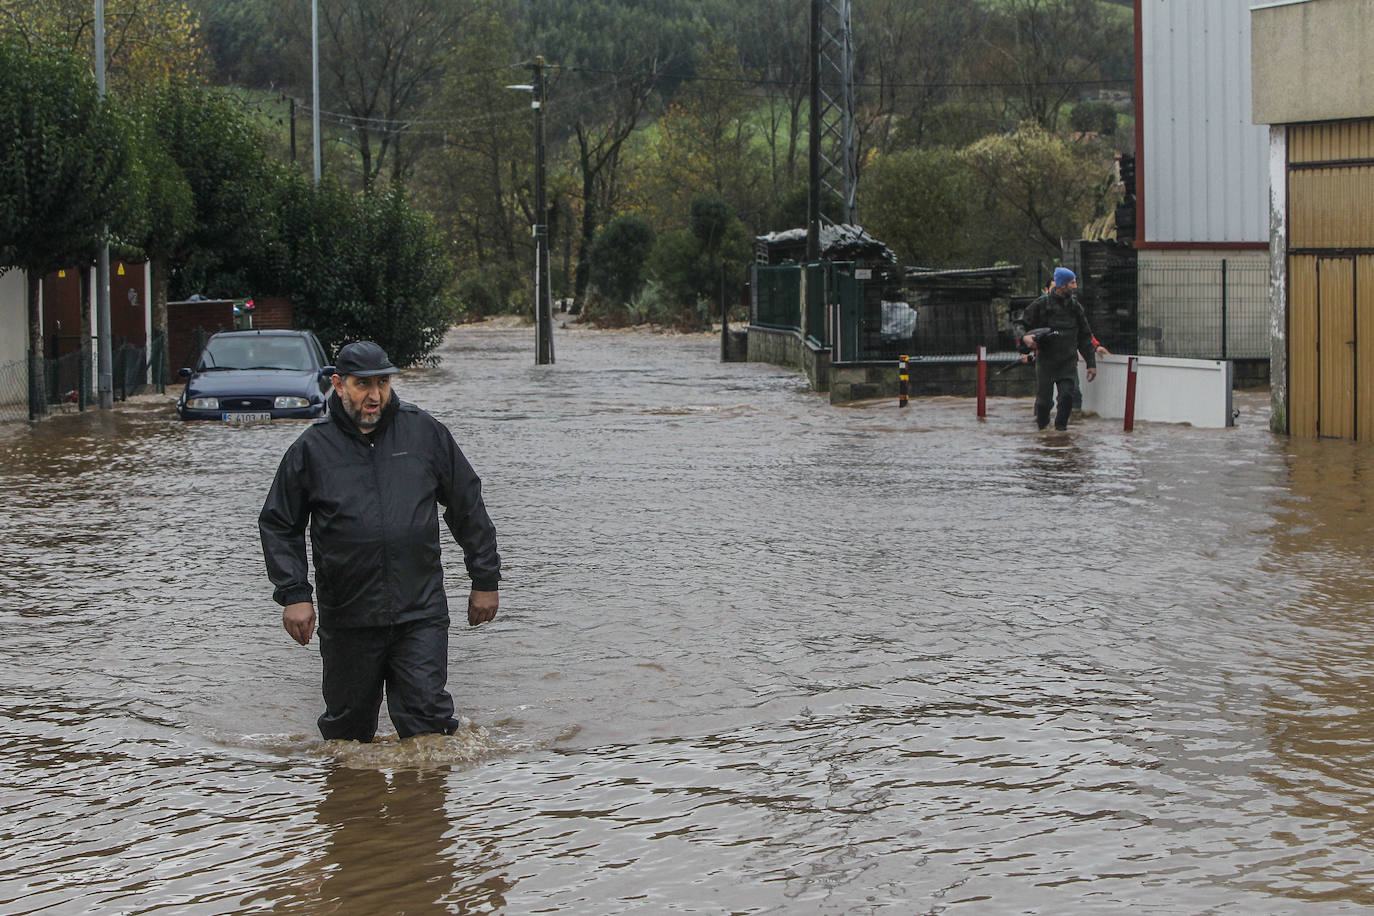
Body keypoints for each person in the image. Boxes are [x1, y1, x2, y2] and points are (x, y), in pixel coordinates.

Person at [259, 340, 501, 742]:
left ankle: (423, 804)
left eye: (383, 383)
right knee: (347, 736)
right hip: (349, 616)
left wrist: (485, 580)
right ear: (338, 384)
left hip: (419, 611)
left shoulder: (423, 433)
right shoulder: (312, 448)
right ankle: (351, 804)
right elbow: (279, 523)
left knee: (429, 727)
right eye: (362, 384)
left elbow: (466, 504)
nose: (375, 395)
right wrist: (294, 594)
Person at [1018, 267, 1097, 430]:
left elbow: (1085, 337)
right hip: (1046, 362)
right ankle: (1043, 432)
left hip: (1067, 362)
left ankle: (1061, 433)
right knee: (1043, 403)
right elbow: (1020, 326)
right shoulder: (1040, 304)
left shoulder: (1076, 308)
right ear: (1062, 285)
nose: (1075, 286)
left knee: (1067, 397)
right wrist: (1025, 339)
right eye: (1072, 283)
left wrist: (1091, 363)